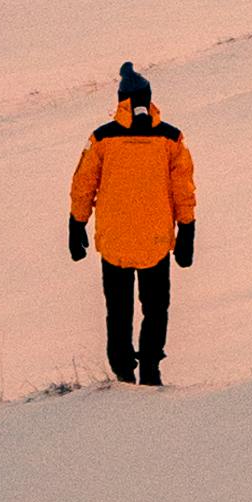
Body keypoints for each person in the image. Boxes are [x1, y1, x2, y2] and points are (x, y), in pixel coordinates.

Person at [67, 61, 196, 386]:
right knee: (155, 308)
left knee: (119, 312)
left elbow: (84, 185)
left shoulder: (102, 138)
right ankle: (150, 368)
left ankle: (123, 371)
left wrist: (76, 223)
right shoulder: (170, 138)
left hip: (114, 243)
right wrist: (187, 230)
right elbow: (183, 189)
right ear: (149, 98)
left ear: (120, 99)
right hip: (155, 241)